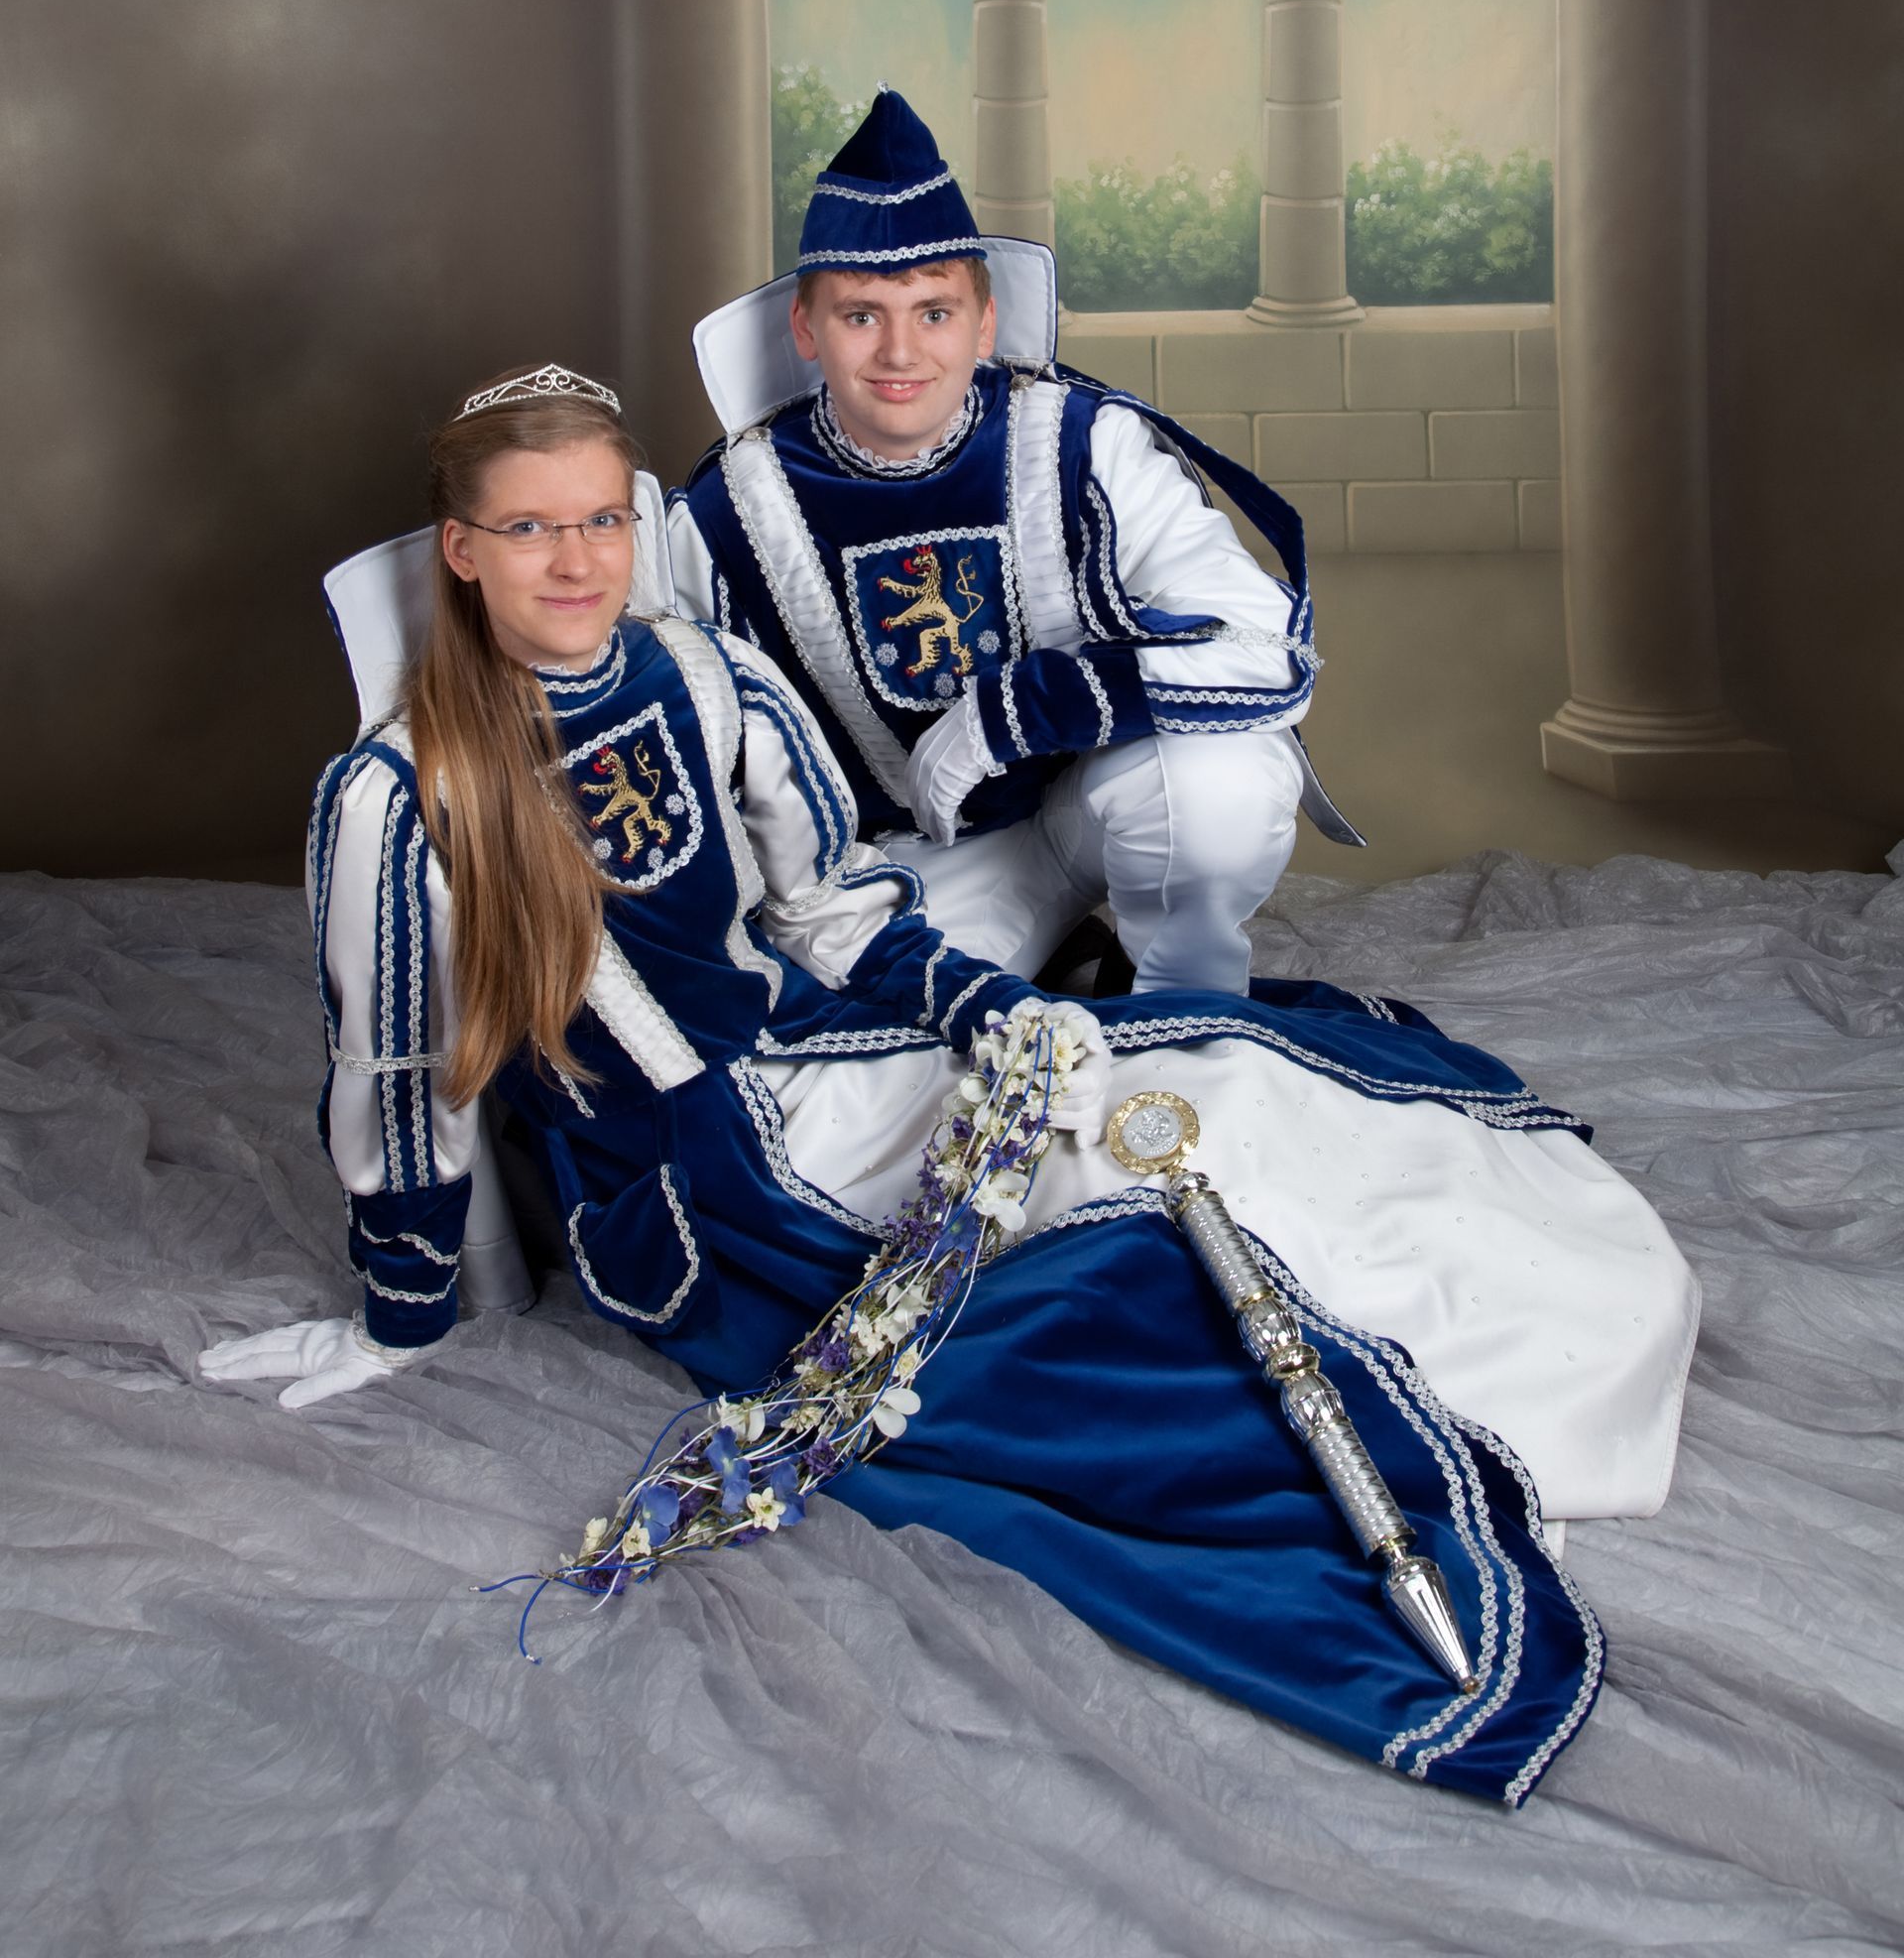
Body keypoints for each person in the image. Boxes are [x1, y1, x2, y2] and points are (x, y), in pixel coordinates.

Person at [199, 364, 1700, 1805]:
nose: (578, 559)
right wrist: (401, 1310)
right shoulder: (399, 793)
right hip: (702, 1178)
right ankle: (1401, 1446)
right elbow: (398, 1077)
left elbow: (828, 913)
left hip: (824, 1047)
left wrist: (991, 1009)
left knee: (1184, 1092)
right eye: (531, 527)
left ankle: (1468, 1274)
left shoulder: (706, 675)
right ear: (463, 550)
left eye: (601, 518)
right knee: (1101, 1284)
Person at [668, 89, 1356, 998]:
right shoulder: (730, 508)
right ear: (805, 328)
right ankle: (1067, 956)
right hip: (916, 857)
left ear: (985, 323)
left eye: (935, 312)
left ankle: (1181, 1006)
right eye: (862, 315)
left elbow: (1269, 654)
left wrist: (1018, 712)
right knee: (866, 1028)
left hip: (1096, 801)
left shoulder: (1081, 442)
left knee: (1223, 783)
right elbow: (688, 737)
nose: (900, 352)